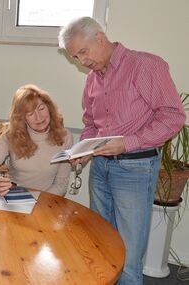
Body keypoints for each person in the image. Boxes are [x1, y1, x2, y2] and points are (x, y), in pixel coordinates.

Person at [58, 17, 186, 285]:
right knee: (101, 242)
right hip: (101, 167)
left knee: (128, 253)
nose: (81, 61)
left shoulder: (145, 65)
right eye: (74, 57)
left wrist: (128, 142)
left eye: (83, 52)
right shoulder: (92, 80)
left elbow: (173, 117)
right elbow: (91, 124)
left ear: (100, 38)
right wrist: (84, 149)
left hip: (135, 168)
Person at [0, 84, 73, 196]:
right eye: (30, 114)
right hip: (14, 196)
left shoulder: (65, 137)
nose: (39, 117)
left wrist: (37, 199)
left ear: (49, 108)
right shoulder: (10, 136)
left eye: (41, 108)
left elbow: (61, 184)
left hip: (46, 199)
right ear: (22, 118)